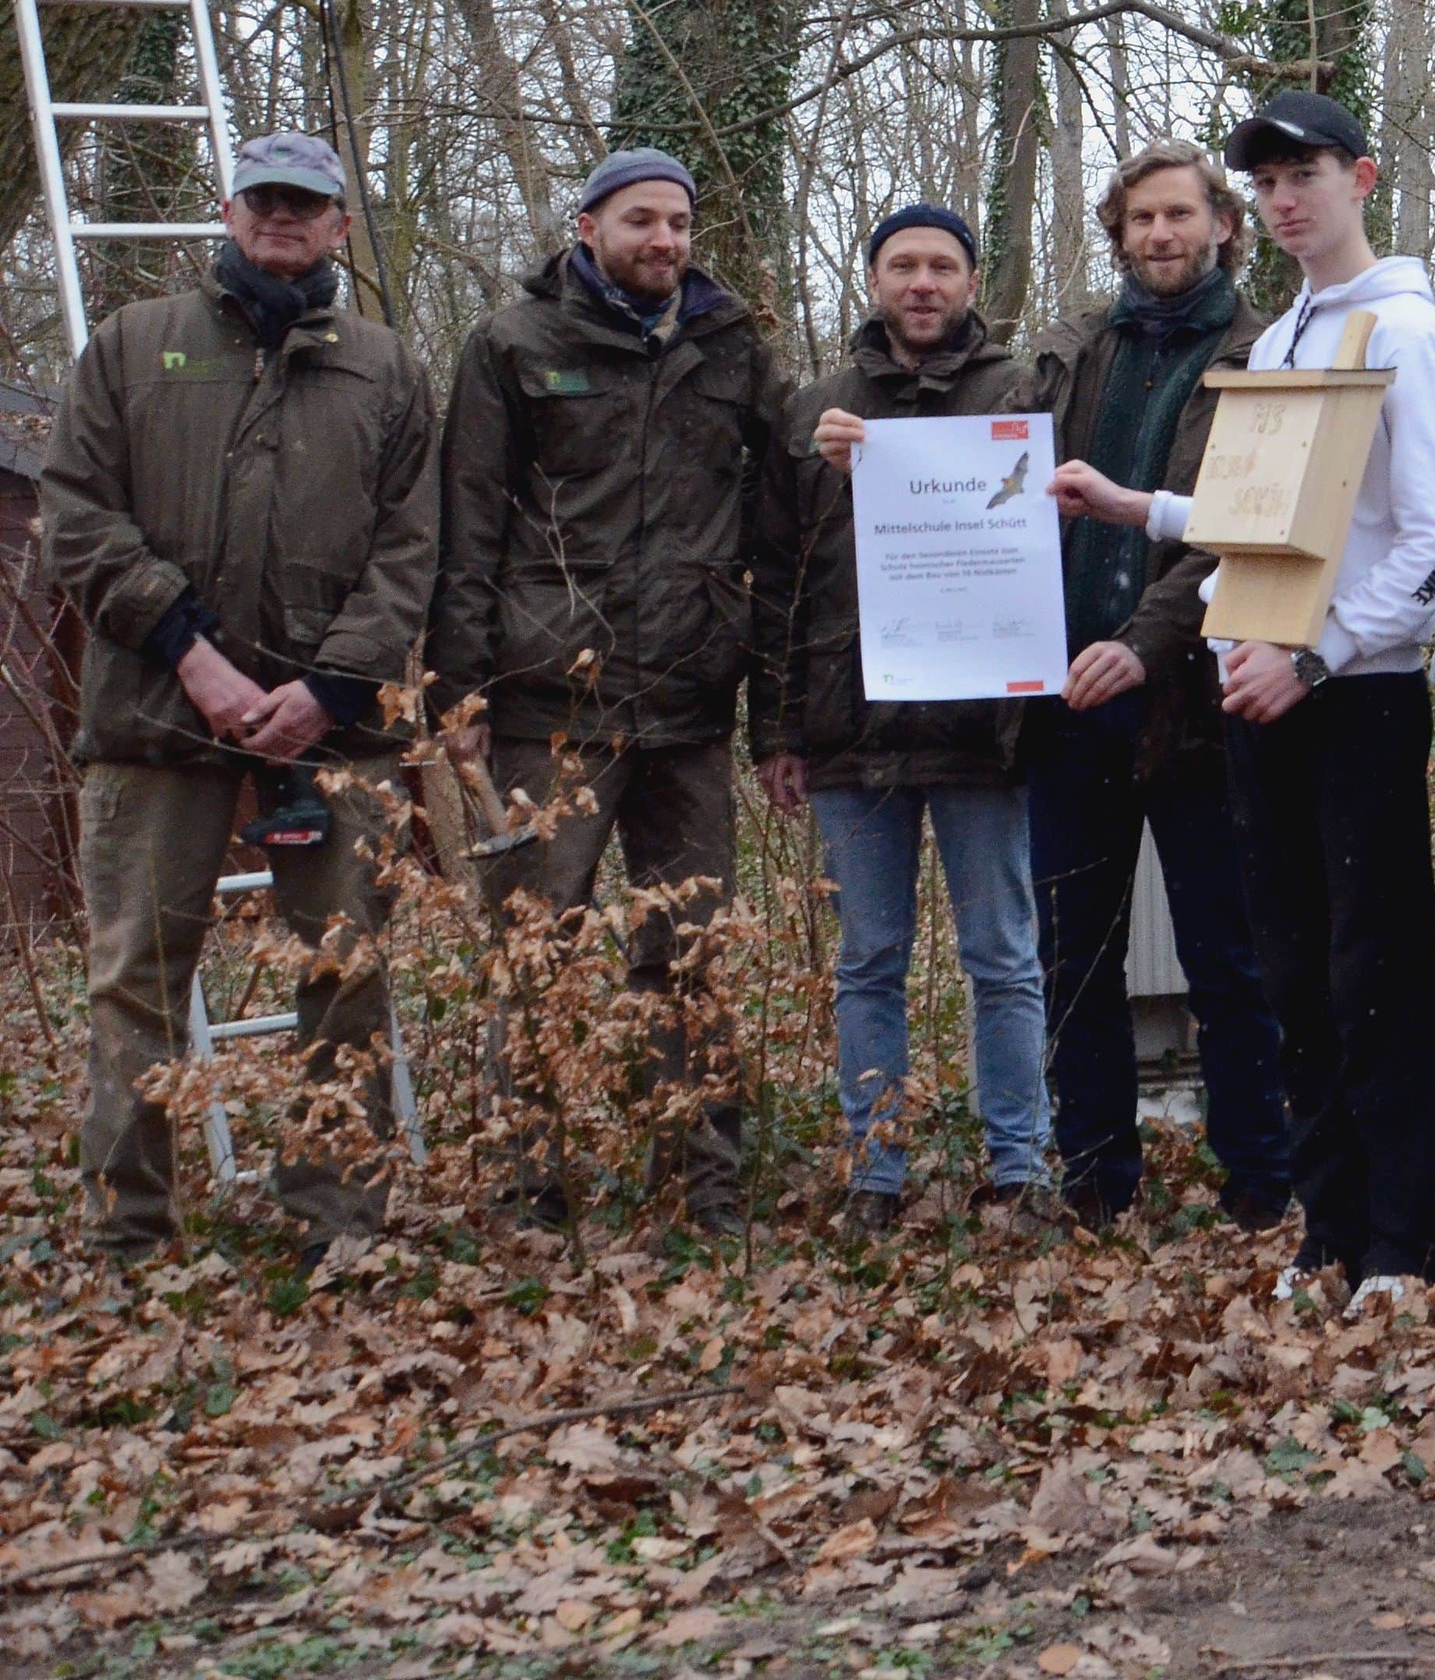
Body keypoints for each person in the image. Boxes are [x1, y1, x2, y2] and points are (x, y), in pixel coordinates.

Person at [1052, 89, 1435, 1308]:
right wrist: (1139, 509)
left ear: (1360, 176)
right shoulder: (1285, 340)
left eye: (1307, 175)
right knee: (1294, 969)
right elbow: (1261, 519)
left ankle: (1404, 1239)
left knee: (1378, 971)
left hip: (1354, 698)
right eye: (1270, 181)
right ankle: (1329, 1228)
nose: (1288, 198)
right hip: (1258, 696)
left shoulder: (1411, 333)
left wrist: (1319, 656)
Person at [39, 133, 436, 1262]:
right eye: (262, 197)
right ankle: (128, 1231)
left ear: (339, 226)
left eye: (304, 202)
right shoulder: (131, 345)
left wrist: (330, 683)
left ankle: (338, 1217)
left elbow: (415, 548)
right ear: (227, 207)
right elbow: (75, 513)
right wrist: (191, 650)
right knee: (135, 979)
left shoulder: (387, 369)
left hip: (335, 729)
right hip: (156, 714)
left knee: (346, 969)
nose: (280, 217)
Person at [432, 147, 787, 1234]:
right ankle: (526, 1186)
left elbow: (781, 522)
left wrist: (768, 705)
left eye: (678, 222)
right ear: (586, 227)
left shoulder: (732, 350)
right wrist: (461, 689)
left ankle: (699, 1184)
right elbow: (468, 525)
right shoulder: (513, 345)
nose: (664, 241)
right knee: (536, 952)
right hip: (552, 710)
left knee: (692, 952)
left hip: (688, 701)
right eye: (640, 220)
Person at [752, 204, 1054, 1235]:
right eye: (902, 265)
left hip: (987, 728)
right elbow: (778, 588)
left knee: (1004, 956)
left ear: (973, 280)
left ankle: (1019, 1166)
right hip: (853, 729)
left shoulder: (1024, 394)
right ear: (874, 277)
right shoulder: (819, 408)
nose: (921, 282)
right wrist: (778, 731)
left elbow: (1065, 549)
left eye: (942, 265)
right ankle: (873, 1174)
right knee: (868, 959)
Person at [1019, 142, 1294, 1231]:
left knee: (1229, 952)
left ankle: (1262, 1180)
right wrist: (865, 447)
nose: (1160, 235)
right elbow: (981, 469)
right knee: (1073, 953)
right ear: (1119, 232)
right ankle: (1093, 1177)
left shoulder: (1261, 355)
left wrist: (1144, 640)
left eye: (1180, 214)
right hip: (1069, 705)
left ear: (1224, 223)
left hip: (1202, 702)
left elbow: (1237, 529)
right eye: (1140, 219)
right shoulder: (1070, 352)